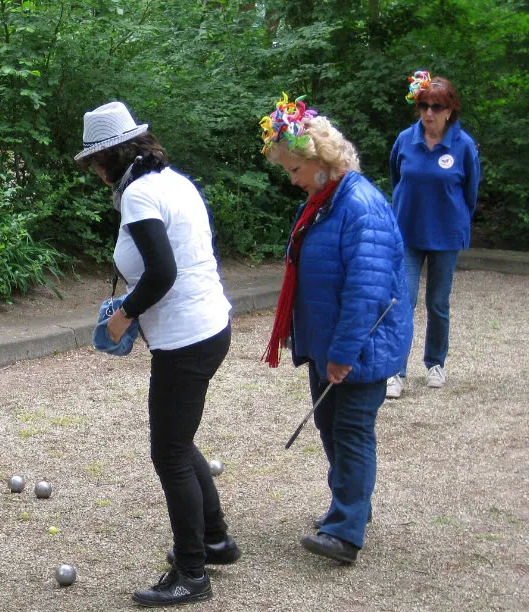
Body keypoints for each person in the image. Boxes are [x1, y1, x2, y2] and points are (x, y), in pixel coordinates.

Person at [75, 101, 237, 607]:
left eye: (95, 165)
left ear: (109, 159)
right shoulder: (172, 181)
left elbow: (162, 273)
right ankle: (214, 540)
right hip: (210, 326)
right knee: (179, 440)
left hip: (186, 338)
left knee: (168, 452)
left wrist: (123, 313)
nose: (96, 175)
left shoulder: (141, 195)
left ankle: (193, 573)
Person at [259, 93, 412, 564]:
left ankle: (345, 532)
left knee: (349, 431)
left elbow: (365, 292)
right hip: (329, 342)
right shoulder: (327, 201)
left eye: (293, 169)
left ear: (318, 160)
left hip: (359, 345)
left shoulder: (359, 206)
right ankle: (349, 506)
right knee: (330, 425)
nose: (292, 180)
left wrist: (344, 353)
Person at [386, 72, 480, 398]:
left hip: (446, 236)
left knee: (438, 303)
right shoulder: (404, 140)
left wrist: (456, 224)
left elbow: (470, 194)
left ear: (449, 110)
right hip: (408, 234)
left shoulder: (463, 146)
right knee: (402, 301)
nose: (429, 113)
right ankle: (395, 371)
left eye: (436, 107)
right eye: (424, 105)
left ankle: (435, 363)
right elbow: (396, 179)